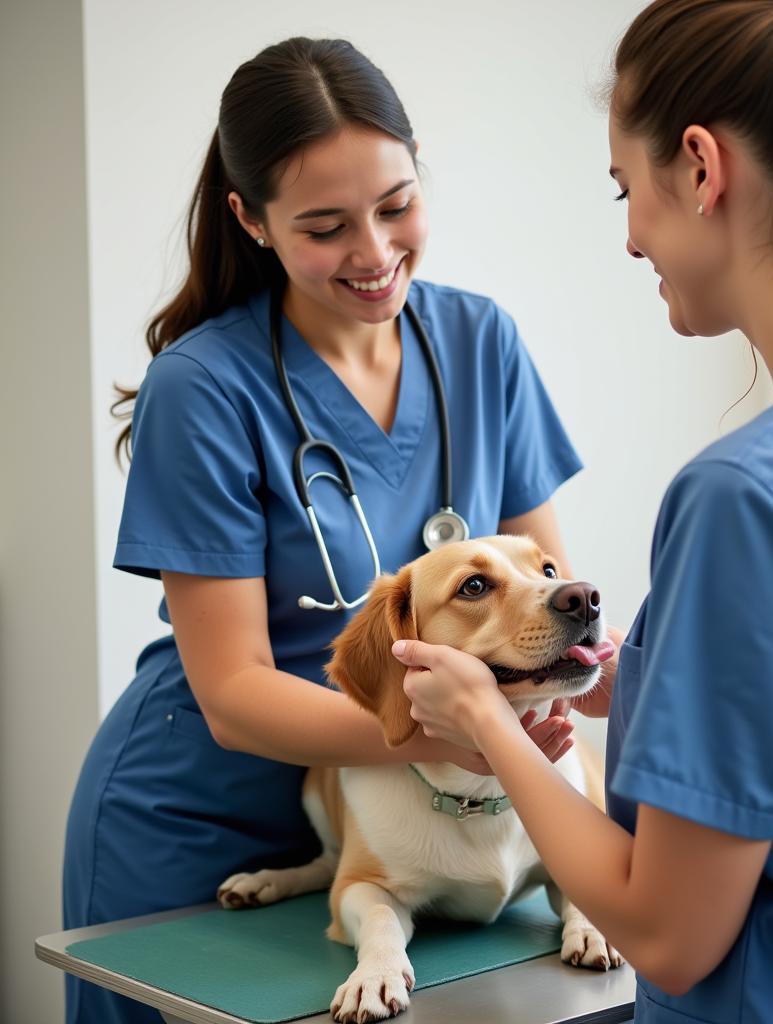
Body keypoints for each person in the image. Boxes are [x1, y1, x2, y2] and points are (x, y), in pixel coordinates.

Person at [393, 1, 773, 1021]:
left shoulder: (746, 497)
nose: (632, 233)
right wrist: (644, 677)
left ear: (698, 167)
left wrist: (482, 717)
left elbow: (668, 936)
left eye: (624, 190)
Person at [62, 36, 594, 1024]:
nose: (375, 250)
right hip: (207, 808)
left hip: (423, 803)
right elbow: (232, 694)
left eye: (396, 205)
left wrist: (539, 721)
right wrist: (463, 735)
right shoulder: (204, 388)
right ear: (250, 220)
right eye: (324, 226)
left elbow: (547, 599)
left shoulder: (482, 344)